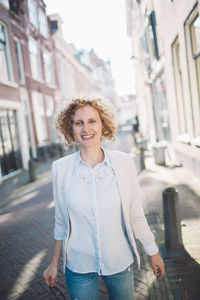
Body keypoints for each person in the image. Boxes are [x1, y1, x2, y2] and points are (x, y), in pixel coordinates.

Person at [43, 96, 165, 300]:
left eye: (92, 121)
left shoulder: (124, 163)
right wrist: (54, 264)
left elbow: (135, 214)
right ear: (70, 128)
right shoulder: (60, 169)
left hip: (119, 260)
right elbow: (61, 222)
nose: (85, 129)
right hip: (78, 265)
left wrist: (152, 252)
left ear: (103, 125)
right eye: (78, 123)